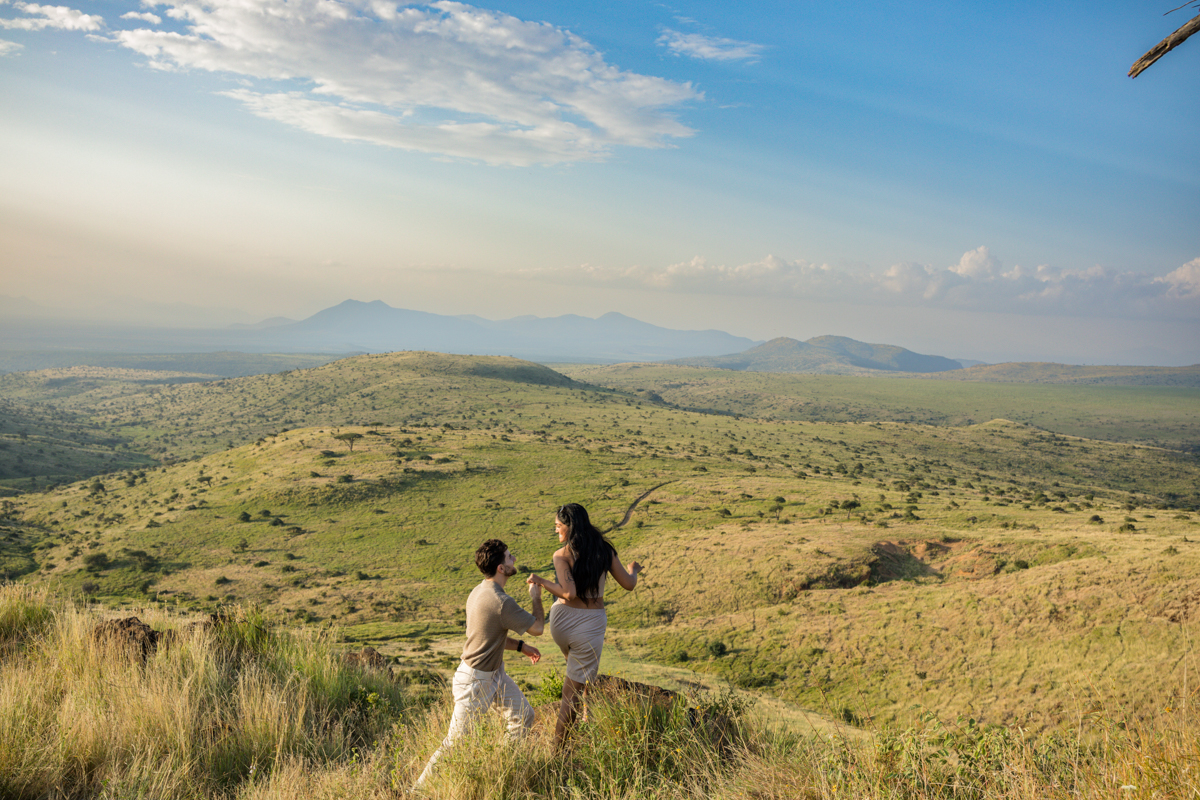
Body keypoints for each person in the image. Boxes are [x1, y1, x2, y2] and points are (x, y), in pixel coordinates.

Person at [413, 538, 545, 793]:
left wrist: (520, 646)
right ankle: (415, 792)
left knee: (524, 716)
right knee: (455, 743)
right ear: (500, 568)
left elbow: (487, 636)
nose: (513, 559)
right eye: (509, 557)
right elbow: (538, 628)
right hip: (475, 680)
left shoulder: (478, 591)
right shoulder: (500, 601)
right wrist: (535, 596)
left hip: (493, 675)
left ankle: (504, 773)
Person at [526, 502, 642, 748]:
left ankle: (586, 714)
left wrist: (541, 581)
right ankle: (558, 752)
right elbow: (627, 584)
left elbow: (566, 594)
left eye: (558, 526)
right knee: (572, 694)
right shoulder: (604, 551)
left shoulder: (562, 555)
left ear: (570, 527)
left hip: (561, 623)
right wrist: (633, 570)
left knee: (579, 673)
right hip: (587, 626)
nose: (556, 531)